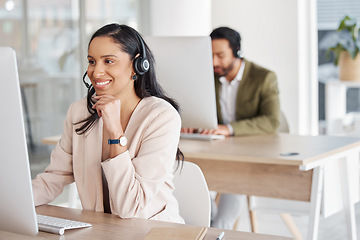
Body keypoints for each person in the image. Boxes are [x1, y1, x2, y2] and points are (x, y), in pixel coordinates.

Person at [32, 23, 185, 224]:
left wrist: (115, 132)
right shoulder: (79, 112)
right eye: (92, 61)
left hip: (152, 231)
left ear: (137, 65)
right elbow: (53, 178)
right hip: (101, 230)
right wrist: (13, 201)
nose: (96, 72)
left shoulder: (162, 117)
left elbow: (130, 207)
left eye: (109, 61)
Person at [184, 26, 280, 229]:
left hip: (255, 148)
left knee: (233, 176)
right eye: (210, 55)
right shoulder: (209, 77)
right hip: (220, 148)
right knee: (190, 169)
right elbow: (204, 112)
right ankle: (207, 223)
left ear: (237, 52)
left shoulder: (264, 77)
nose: (214, 62)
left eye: (220, 55)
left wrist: (229, 128)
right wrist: (195, 125)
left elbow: (272, 121)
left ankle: (220, 229)